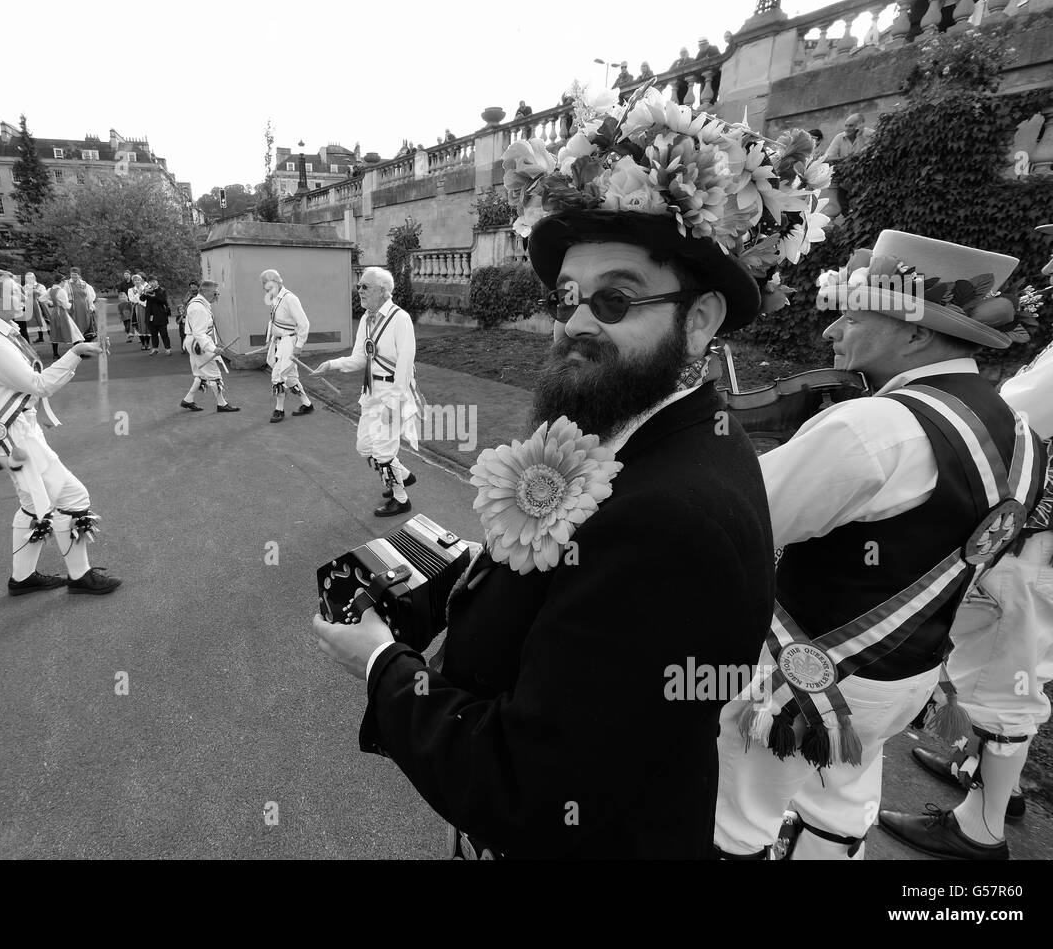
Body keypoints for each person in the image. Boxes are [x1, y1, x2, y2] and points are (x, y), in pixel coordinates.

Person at [309, 207, 778, 858]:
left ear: (698, 320)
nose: (578, 322)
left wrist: (380, 663)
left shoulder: (669, 522)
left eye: (615, 299)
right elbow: (589, 604)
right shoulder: (660, 438)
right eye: (566, 300)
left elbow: (526, 787)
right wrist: (475, 568)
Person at [714, 231, 1045, 861]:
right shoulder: (1024, 431)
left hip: (800, 673)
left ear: (916, 334)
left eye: (855, 315)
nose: (834, 332)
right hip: (905, 673)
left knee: (742, 811)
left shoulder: (875, 425)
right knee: (840, 802)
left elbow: (741, 520)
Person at [879, 217, 1053, 859]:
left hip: (1042, 539)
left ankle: (980, 828)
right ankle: (990, 781)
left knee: (1008, 679)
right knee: (1004, 668)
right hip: (1042, 537)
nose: (1048, 269)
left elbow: (1013, 415)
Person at [0, 266, 121, 597]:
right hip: (8, 435)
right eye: (13, 291)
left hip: (15, 429)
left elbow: (25, 385)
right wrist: (76, 352)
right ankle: (77, 577)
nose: (22, 295)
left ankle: (23, 580)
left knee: (38, 503)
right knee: (68, 498)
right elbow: (37, 384)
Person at [311, 267, 421, 517]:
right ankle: (402, 475)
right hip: (371, 391)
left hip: (394, 392)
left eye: (364, 287)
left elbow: (405, 364)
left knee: (383, 450)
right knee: (365, 446)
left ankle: (401, 499)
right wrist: (332, 365)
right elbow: (360, 358)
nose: (359, 290)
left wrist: (395, 401)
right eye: (359, 286)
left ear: (383, 291)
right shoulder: (366, 319)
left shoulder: (400, 319)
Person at [259, 269, 314, 423]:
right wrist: (270, 338)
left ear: (276, 282)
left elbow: (304, 324)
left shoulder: (290, 299)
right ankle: (307, 404)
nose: (264, 288)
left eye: (266, 284)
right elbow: (275, 321)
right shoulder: (276, 297)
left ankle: (279, 409)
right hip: (280, 342)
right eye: (264, 285)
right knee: (291, 377)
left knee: (278, 375)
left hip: (289, 342)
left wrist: (299, 346)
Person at [180, 279, 240, 414]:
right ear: (205, 291)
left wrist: (213, 343)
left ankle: (188, 400)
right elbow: (199, 333)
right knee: (214, 374)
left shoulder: (200, 304)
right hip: (198, 344)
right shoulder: (199, 307)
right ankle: (221, 404)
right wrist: (213, 349)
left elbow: (202, 331)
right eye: (215, 292)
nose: (217, 295)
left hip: (195, 342)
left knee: (200, 373)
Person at [825, 113, 873, 214]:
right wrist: (847, 159)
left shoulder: (870, 135)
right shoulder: (839, 137)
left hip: (865, 183)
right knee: (844, 210)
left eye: (851, 125)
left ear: (860, 126)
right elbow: (828, 157)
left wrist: (860, 136)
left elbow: (865, 156)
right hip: (845, 183)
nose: (847, 128)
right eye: (846, 125)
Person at [45, 276, 83, 362]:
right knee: (73, 331)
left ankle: (55, 354)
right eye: (64, 281)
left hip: (55, 312)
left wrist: (52, 303)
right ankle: (79, 352)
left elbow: (41, 299)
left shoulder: (50, 290)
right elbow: (65, 305)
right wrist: (70, 305)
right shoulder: (61, 291)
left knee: (55, 332)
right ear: (61, 281)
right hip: (61, 312)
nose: (65, 283)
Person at [142, 276, 172, 356]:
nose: (152, 283)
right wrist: (145, 292)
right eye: (150, 282)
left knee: (164, 333)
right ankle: (155, 348)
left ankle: (168, 348)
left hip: (161, 315)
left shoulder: (161, 290)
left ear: (157, 282)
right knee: (153, 333)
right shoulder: (147, 289)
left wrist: (154, 296)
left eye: (154, 281)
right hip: (150, 316)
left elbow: (163, 300)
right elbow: (141, 299)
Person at [65, 267, 98, 341]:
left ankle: (86, 338)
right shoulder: (67, 284)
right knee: (75, 323)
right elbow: (64, 296)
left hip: (84, 306)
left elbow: (89, 296)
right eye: (72, 274)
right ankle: (77, 340)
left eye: (75, 274)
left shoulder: (84, 283)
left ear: (79, 275)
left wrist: (91, 306)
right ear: (70, 274)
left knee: (86, 321)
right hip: (73, 306)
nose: (74, 276)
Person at [21, 272, 50, 345]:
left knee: (44, 321)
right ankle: (40, 337)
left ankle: (52, 337)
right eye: (27, 278)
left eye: (30, 277)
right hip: (29, 306)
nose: (29, 279)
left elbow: (44, 295)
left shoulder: (40, 286)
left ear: (34, 278)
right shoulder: (24, 287)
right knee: (35, 321)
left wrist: (37, 295)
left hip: (39, 305)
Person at [129, 273, 150, 350]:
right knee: (140, 325)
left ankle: (147, 344)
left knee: (147, 325)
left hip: (146, 308)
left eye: (138, 280)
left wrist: (141, 301)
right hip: (137, 308)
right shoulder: (131, 290)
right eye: (135, 280)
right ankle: (143, 344)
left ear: (141, 281)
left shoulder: (146, 288)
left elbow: (148, 298)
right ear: (133, 282)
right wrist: (141, 301)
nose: (137, 281)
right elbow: (132, 299)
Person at [115, 270, 135, 341]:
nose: (126, 275)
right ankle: (129, 335)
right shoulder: (122, 283)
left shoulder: (133, 282)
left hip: (133, 301)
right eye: (125, 274)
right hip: (124, 301)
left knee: (133, 319)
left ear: (130, 275)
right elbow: (119, 292)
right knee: (127, 323)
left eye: (127, 274)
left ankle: (137, 333)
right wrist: (122, 297)